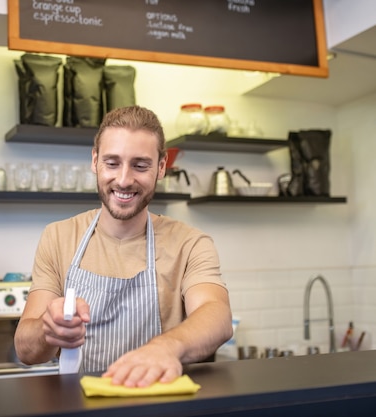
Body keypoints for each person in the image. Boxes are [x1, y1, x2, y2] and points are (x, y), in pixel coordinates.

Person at [14, 105, 232, 388]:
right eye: (112, 163)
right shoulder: (58, 237)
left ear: (161, 167)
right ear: (95, 161)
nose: (124, 180)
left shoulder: (190, 244)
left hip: (161, 408)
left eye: (140, 165)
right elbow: (25, 349)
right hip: (79, 407)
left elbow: (217, 315)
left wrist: (166, 347)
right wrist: (49, 329)